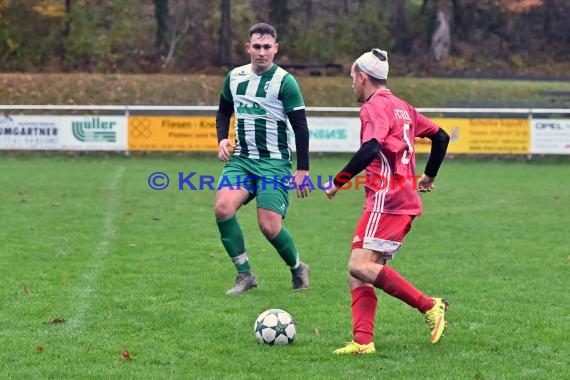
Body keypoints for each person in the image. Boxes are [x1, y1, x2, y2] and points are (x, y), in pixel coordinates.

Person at [324, 48, 451, 354]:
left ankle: (429, 305)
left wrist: (337, 183)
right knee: (358, 270)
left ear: (362, 76)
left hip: (388, 199)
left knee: (359, 265)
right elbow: (442, 137)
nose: (352, 84)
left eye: (352, 77)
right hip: (398, 198)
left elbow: (370, 149)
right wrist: (429, 176)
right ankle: (363, 341)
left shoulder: (373, 107)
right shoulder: (402, 107)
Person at [215, 23, 311, 295]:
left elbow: (301, 128)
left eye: (267, 47)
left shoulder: (285, 82)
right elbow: (223, 112)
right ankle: (245, 275)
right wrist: (222, 138)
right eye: (256, 46)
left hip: (274, 164)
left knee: (269, 226)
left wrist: (302, 169)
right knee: (223, 208)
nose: (261, 52)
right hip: (242, 161)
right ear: (248, 48)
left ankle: (297, 268)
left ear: (275, 49)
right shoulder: (234, 77)